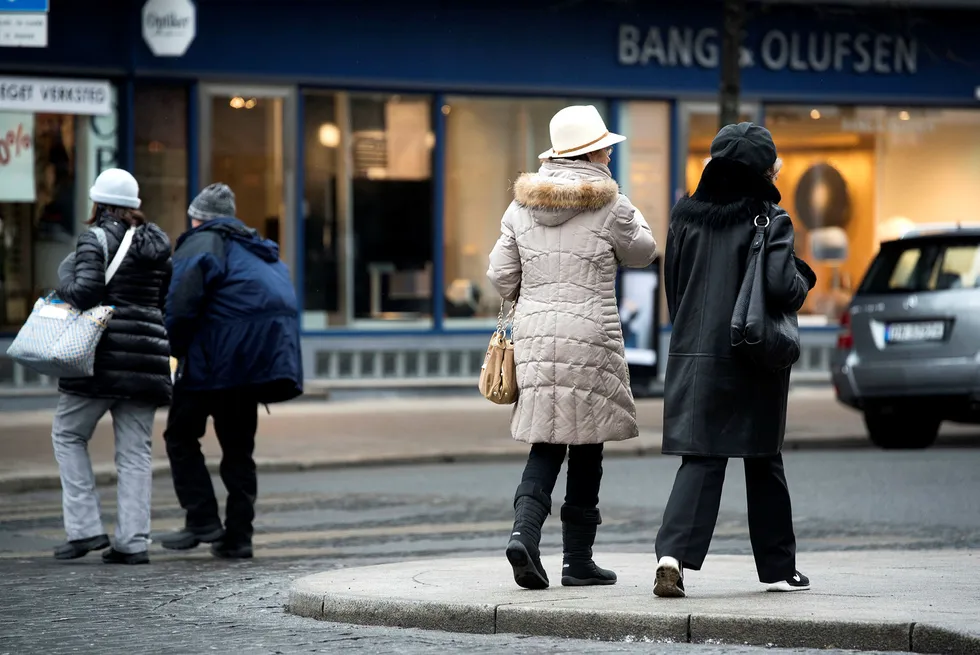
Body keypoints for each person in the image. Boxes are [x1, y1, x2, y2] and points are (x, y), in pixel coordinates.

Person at [488, 105, 657, 589]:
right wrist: (633, 211)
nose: (609, 153)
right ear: (593, 152)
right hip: (592, 336)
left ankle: (524, 533)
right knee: (587, 447)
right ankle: (577, 560)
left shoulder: (520, 207)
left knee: (546, 441)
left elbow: (500, 277)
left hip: (537, 338)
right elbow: (644, 253)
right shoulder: (612, 204)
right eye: (605, 146)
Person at [654, 123, 818, 598]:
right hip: (752, 357)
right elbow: (784, 289)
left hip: (694, 353)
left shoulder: (683, 218)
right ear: (764, 170)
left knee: (701, 458)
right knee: (763, 460)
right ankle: (780, 569)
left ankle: (671, 558)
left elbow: (676, 288)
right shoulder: (770, 218)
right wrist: (804, 275)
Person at [160, 183, 303, 559]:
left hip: (212, 361)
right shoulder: (256, 247)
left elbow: (180, 306)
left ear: (198, 217)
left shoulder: (199, 242)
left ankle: (202, 519)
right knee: (239, 451)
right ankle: (239, 537)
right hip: (254, 365)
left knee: (180, 435)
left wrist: (173, 351)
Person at [51, 168, 173, 565]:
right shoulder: (157, 242)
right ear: (134, 206)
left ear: (98, 203)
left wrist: (60, 287)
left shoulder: (96, 237)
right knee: (136, 453)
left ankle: (85, 530)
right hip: (147, 358)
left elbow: (85, 292)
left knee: (68, 434)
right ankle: (133, 542)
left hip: (101, 355)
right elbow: (163, 299)